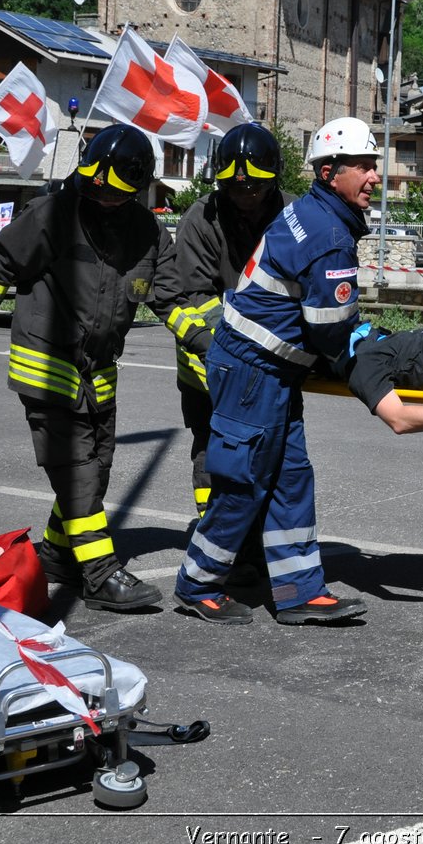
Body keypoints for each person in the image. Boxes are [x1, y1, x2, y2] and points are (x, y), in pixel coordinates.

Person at [0, 123, 210, 612]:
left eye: (115, 193)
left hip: (99, 371)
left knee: (99, 468)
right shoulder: (53, 213)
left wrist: (205, 342)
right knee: (76, 474)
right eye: (95, 187)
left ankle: (56, 554)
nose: (102, 198)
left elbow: (171, 298)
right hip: (45, 363)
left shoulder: (148, 232)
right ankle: (99, 575)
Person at [172, 117, 379, 626]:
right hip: (253, 376)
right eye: (364, 166)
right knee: (243, 485)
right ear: (330, 172)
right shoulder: (329, 235)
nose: (375, 176)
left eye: (375, 165)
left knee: (289, 480)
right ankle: (197, 583)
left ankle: (298, 590)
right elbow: (332, 332)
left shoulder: (308, 212)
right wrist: (372, 349)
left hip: (267, 373)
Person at [173, 124, 289, 589]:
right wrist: (237, 344)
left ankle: (253, 540)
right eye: (235, 187)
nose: (246, 196)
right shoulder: (199, 221)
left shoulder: (288, 215)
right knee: (214, 454)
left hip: (272, 365)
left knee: (271, 454)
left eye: (256, 186)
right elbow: (192, 295)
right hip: (208, 366)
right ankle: (218, 540)